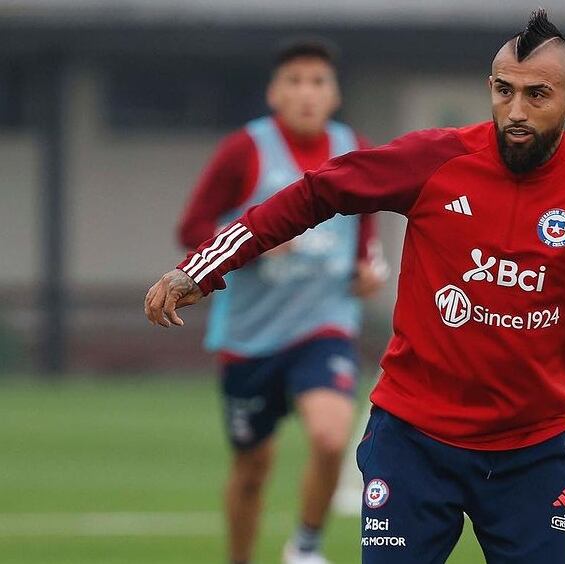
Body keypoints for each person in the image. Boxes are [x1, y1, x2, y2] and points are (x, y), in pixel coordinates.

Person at [146, 11, 565, 564]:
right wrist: (202, 266)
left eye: (536, 95)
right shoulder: (435, 159)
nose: (515, 110)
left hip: (532, 456)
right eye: (503, 91)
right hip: (412, 444)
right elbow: (318, 192)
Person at [175, 40, 386, 564]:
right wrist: (251, 243)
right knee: (252, 469)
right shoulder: (245, 150)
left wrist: (367, 265)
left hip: (324, 324)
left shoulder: (353, 148)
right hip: (251, 337)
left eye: (318, 81)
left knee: (332, 437)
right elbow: (192, 227)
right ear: (274, 93)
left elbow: (365, 221)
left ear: (334, 94)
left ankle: (305, 549)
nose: (306, 93)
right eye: (294, 81)